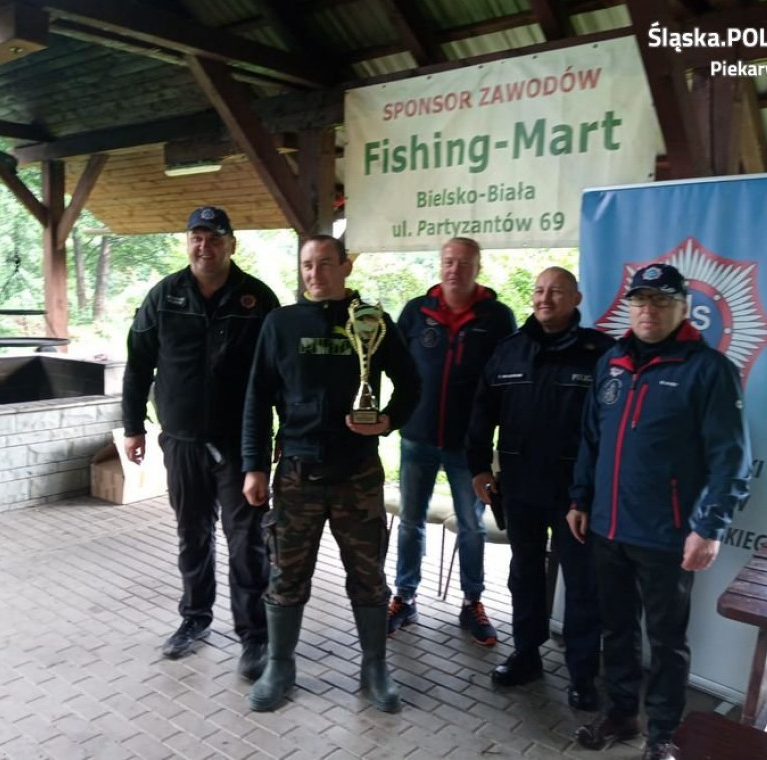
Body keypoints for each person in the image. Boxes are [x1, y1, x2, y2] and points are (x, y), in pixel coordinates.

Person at [567, 264, 751, 760]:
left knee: (666, 640)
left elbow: (730, 458)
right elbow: (591, 440)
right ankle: (621, 713)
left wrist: (708, 527)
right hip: (607, 525)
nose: (649, 310)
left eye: (661, 302)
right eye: (641, 301)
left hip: (667, 534)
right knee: (617, 629)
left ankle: (664, 731)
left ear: (683, 309)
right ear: (630, 307)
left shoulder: (708, 370)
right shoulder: (612, 363)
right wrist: (580, 499)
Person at [241, 234, 420, 713]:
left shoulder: (372, 321)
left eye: (324, 264)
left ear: (345, 267)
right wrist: (253, 466)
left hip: (357, 472)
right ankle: (281, 666)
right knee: (286, 574)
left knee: (368, 575)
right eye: (306, 266)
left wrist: (389, 419)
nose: (314, 274)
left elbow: (412, 382)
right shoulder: (279, 324)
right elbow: (257, 398)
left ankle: (374, 666)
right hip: (297, 473)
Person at [122, 206, 279, 680]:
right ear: (188, 243)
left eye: (214, 238)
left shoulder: (257, 299)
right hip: (182, 442)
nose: (203, 246)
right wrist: (133, 426)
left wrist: (278, 441)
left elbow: (277, 375)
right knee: (192, 535)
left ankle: (255, 636)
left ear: (232, 244)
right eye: (196, 237)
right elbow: (137, 364)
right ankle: (194, 620)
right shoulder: (165, 296)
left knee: (247, 539)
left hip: (238, 444)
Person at [467, 267, 612, 707]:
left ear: (576, 299)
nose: (545, 298)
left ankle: (583, 675)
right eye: (539, 291)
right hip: (520, 488)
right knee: (523, 576)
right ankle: (525, 655)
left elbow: (610, 428)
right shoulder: (508, 351)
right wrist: (478, 469)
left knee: (583, 585)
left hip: (575, 495)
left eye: (556, 292)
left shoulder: (600, 353)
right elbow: (481, 413)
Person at [389, 237, 516, 645]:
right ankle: (404, 597)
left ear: (477, 267)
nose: (454, 269)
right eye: (448, 261)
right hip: (417, 439)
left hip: (469, 446)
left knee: (472, 527)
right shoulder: (415, 311)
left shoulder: (497, 317)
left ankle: (472, 603)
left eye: (463, 262)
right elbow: (393, 364)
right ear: (440, 264)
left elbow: (507, 378)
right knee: (410, 523)